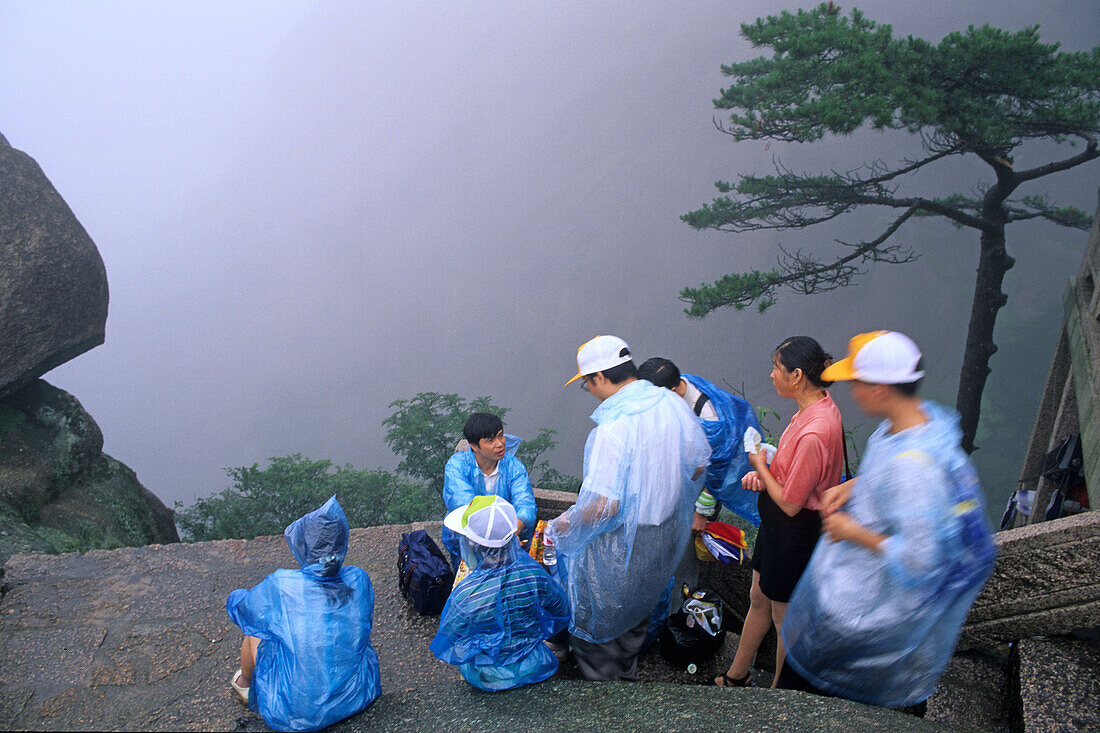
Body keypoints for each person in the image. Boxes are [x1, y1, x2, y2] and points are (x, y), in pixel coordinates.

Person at [779, 331, 995, 711]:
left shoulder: (915, 470)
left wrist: (854, 532)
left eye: (857, 383)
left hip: (870, 625)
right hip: (856, 600)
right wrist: (855, 488)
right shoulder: (913, 425)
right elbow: (898, 481)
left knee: (804, 708)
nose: (852, 391)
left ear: (880, 390)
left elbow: (921, 559)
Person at [547, 335, 711, 681]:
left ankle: (610, 700)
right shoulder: (671, 403)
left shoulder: (614, 427)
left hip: (623, 542)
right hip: (665, 533)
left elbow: (605, 505)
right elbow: (698, 465)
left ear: (600, 378)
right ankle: (630, 672)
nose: (590, 391)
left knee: (605, 619)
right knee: (642, 605)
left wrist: (567, 523)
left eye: (587, 383)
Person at [714, 336, 844, 689]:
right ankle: (737, 674)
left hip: (793, 533)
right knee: (758, 599)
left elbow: (791, 503)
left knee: (785, 618)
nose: (772, 375)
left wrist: (759, 462)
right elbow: (796, 478)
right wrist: (765, 474)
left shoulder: (817, 430)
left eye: (777, 367)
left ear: (797, 375)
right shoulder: (814, 408)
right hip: (777, 528)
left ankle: (779, 696)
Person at [227, 496, 381, 733]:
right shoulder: (359, 579)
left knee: (254, 635)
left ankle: (244, 683)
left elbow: (243, 610)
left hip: (296, 713)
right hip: (358, 695)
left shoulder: (283, 586)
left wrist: (236, 596)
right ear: (344, 546)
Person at [430, 494, 570, 691]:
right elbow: (561, 610)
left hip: (486, 675)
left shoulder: (467, 593)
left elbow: (452, 635)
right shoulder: (534, 576)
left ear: (474, 546)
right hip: (533, 664)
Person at [636, 357, 762, 531]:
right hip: (690, 469)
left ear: (673, 391)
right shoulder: (682, 381)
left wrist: (702, 512)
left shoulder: (709, 418)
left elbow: (717, 470)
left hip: (715, 473)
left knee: (693, 533)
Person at [442, 412, 537, 566]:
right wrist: (494, 540)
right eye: (490, 440)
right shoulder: (457, 466)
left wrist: (510, 536)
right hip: (468, 538)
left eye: (501, 436)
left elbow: (525, 505)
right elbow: (464, 505)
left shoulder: (514, 467)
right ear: (474, 446)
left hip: (508, 537)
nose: (500, 444)